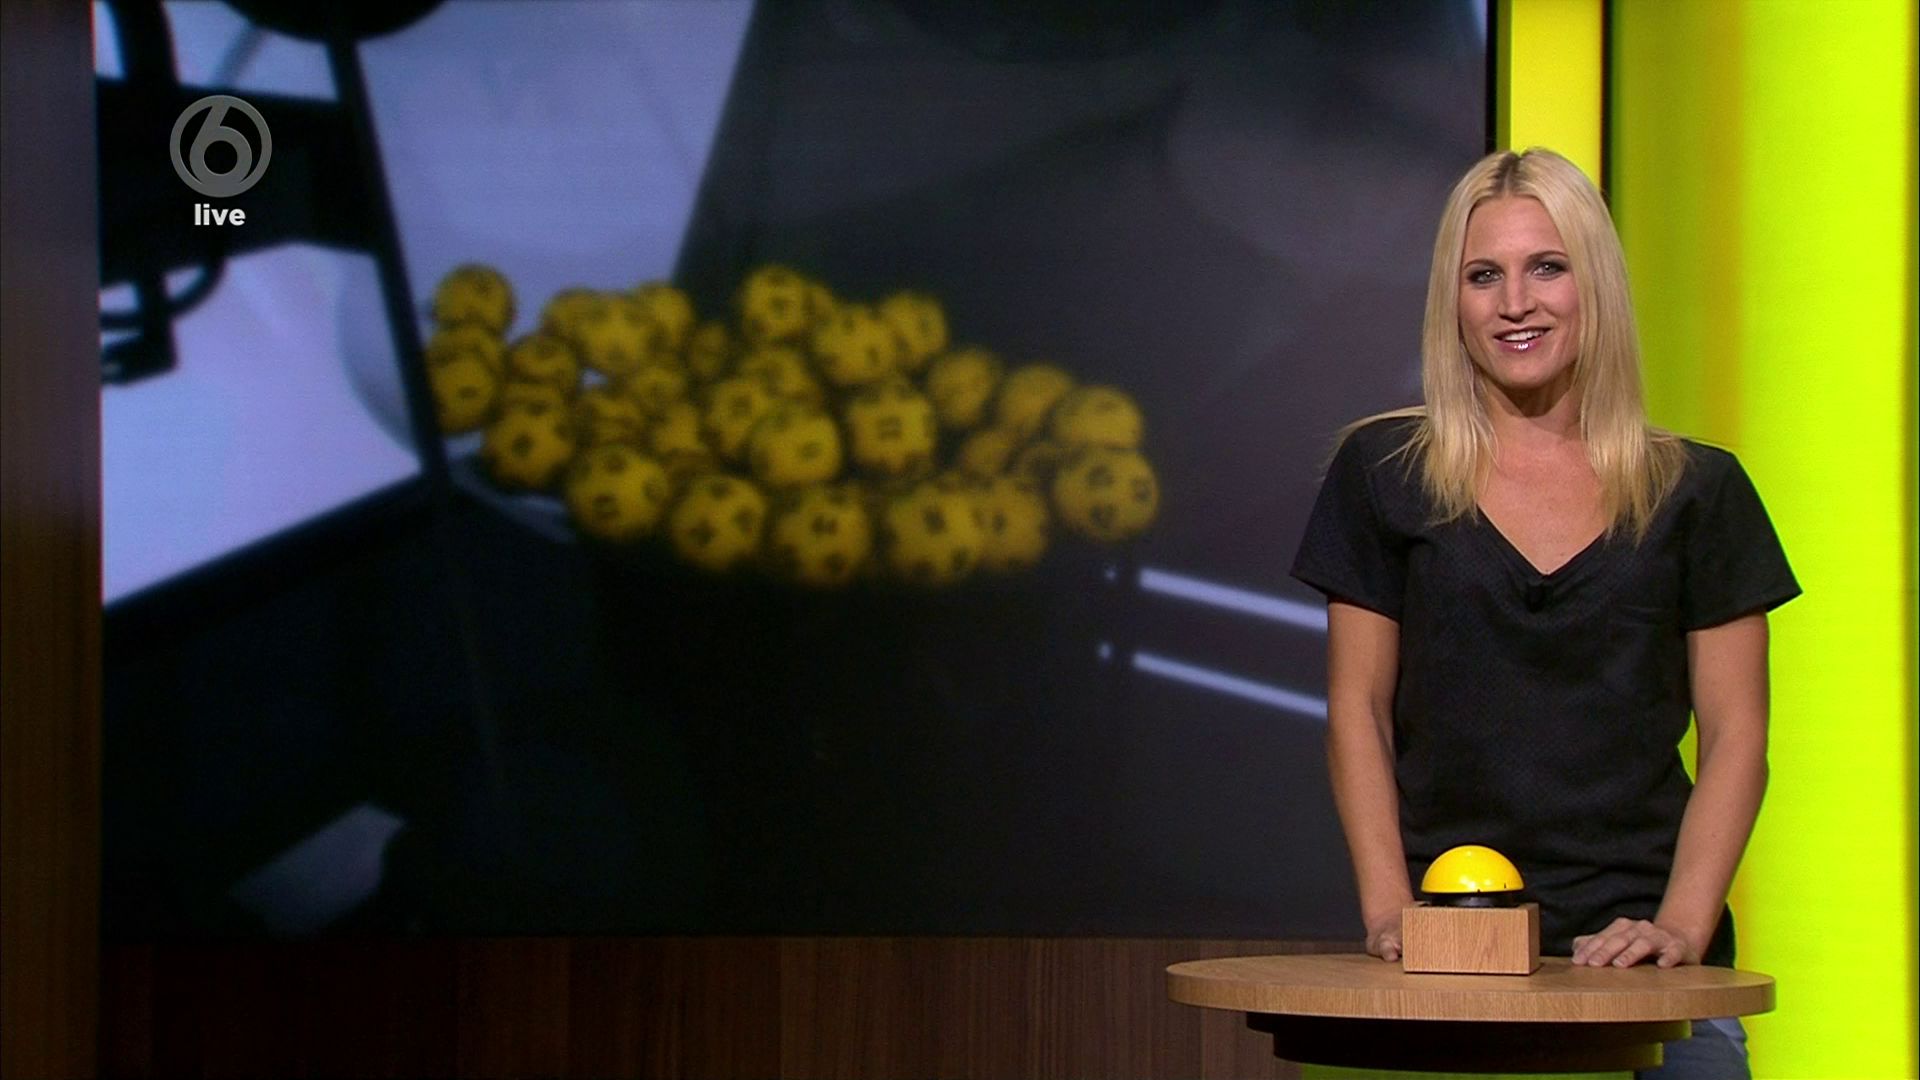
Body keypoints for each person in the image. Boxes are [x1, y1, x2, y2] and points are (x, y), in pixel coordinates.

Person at [1290, 147, 1799, 1080]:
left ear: (1593, 283)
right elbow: (1356, 710)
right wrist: (1390, 911)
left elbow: (1737, 735)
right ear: (1452, 301)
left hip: (1642, 954)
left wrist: (1681, 929)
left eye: (1547, 268)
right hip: (1446, 950)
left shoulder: (1698, 490)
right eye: (1484, 276)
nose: (1515, 303)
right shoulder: (1384, 475)